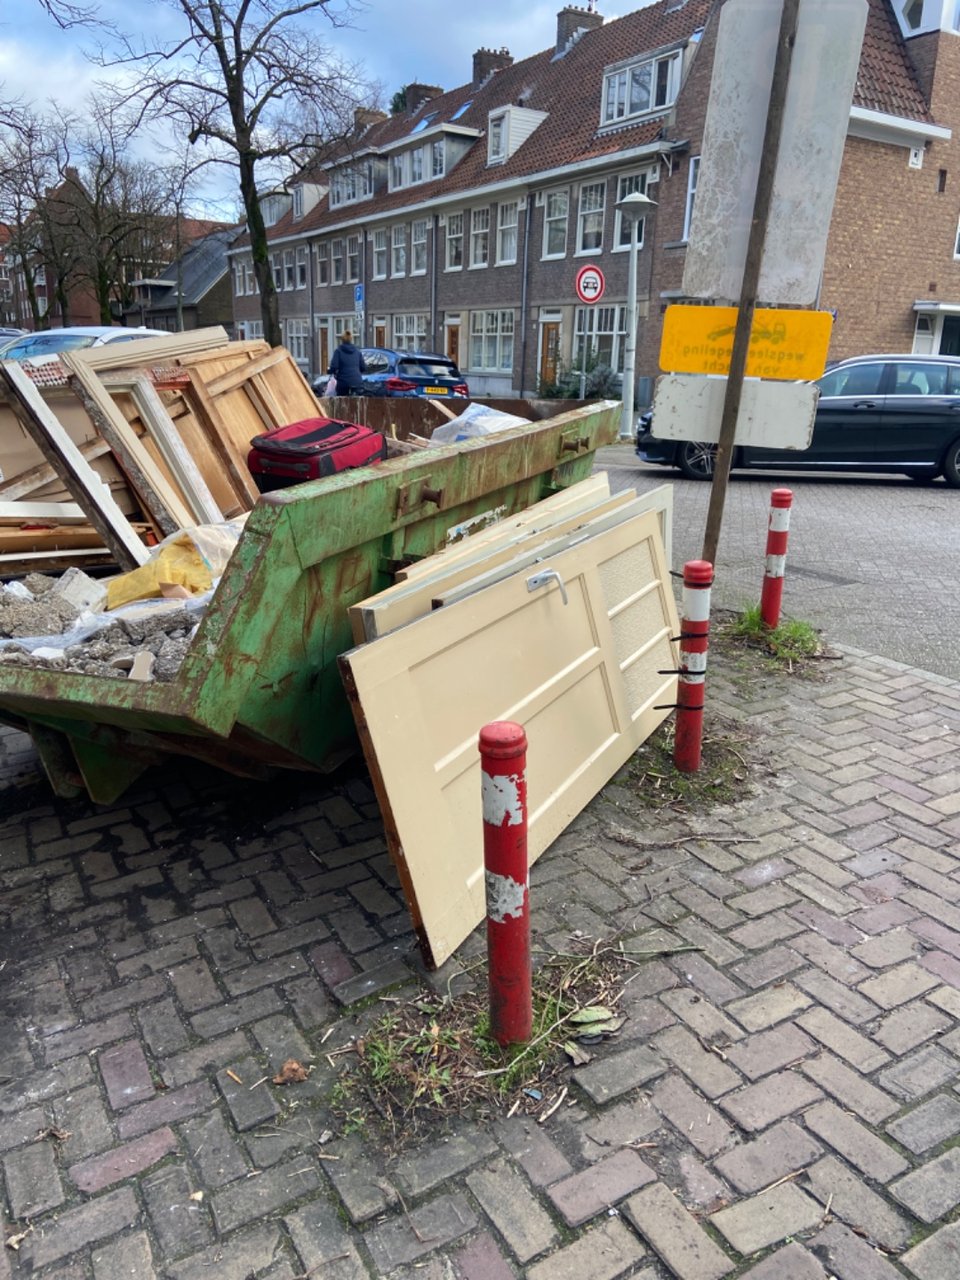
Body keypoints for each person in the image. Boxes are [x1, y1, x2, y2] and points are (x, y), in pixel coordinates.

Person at [328, 331, 366, 396]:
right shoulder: (357, 351)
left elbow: (334, 367)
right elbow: (363, 367)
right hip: (357, 381)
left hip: (343, 382)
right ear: (351, 339)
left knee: (342, 401)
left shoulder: (338, 351)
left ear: (342, 340)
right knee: (356, 401)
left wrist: (330, 370)